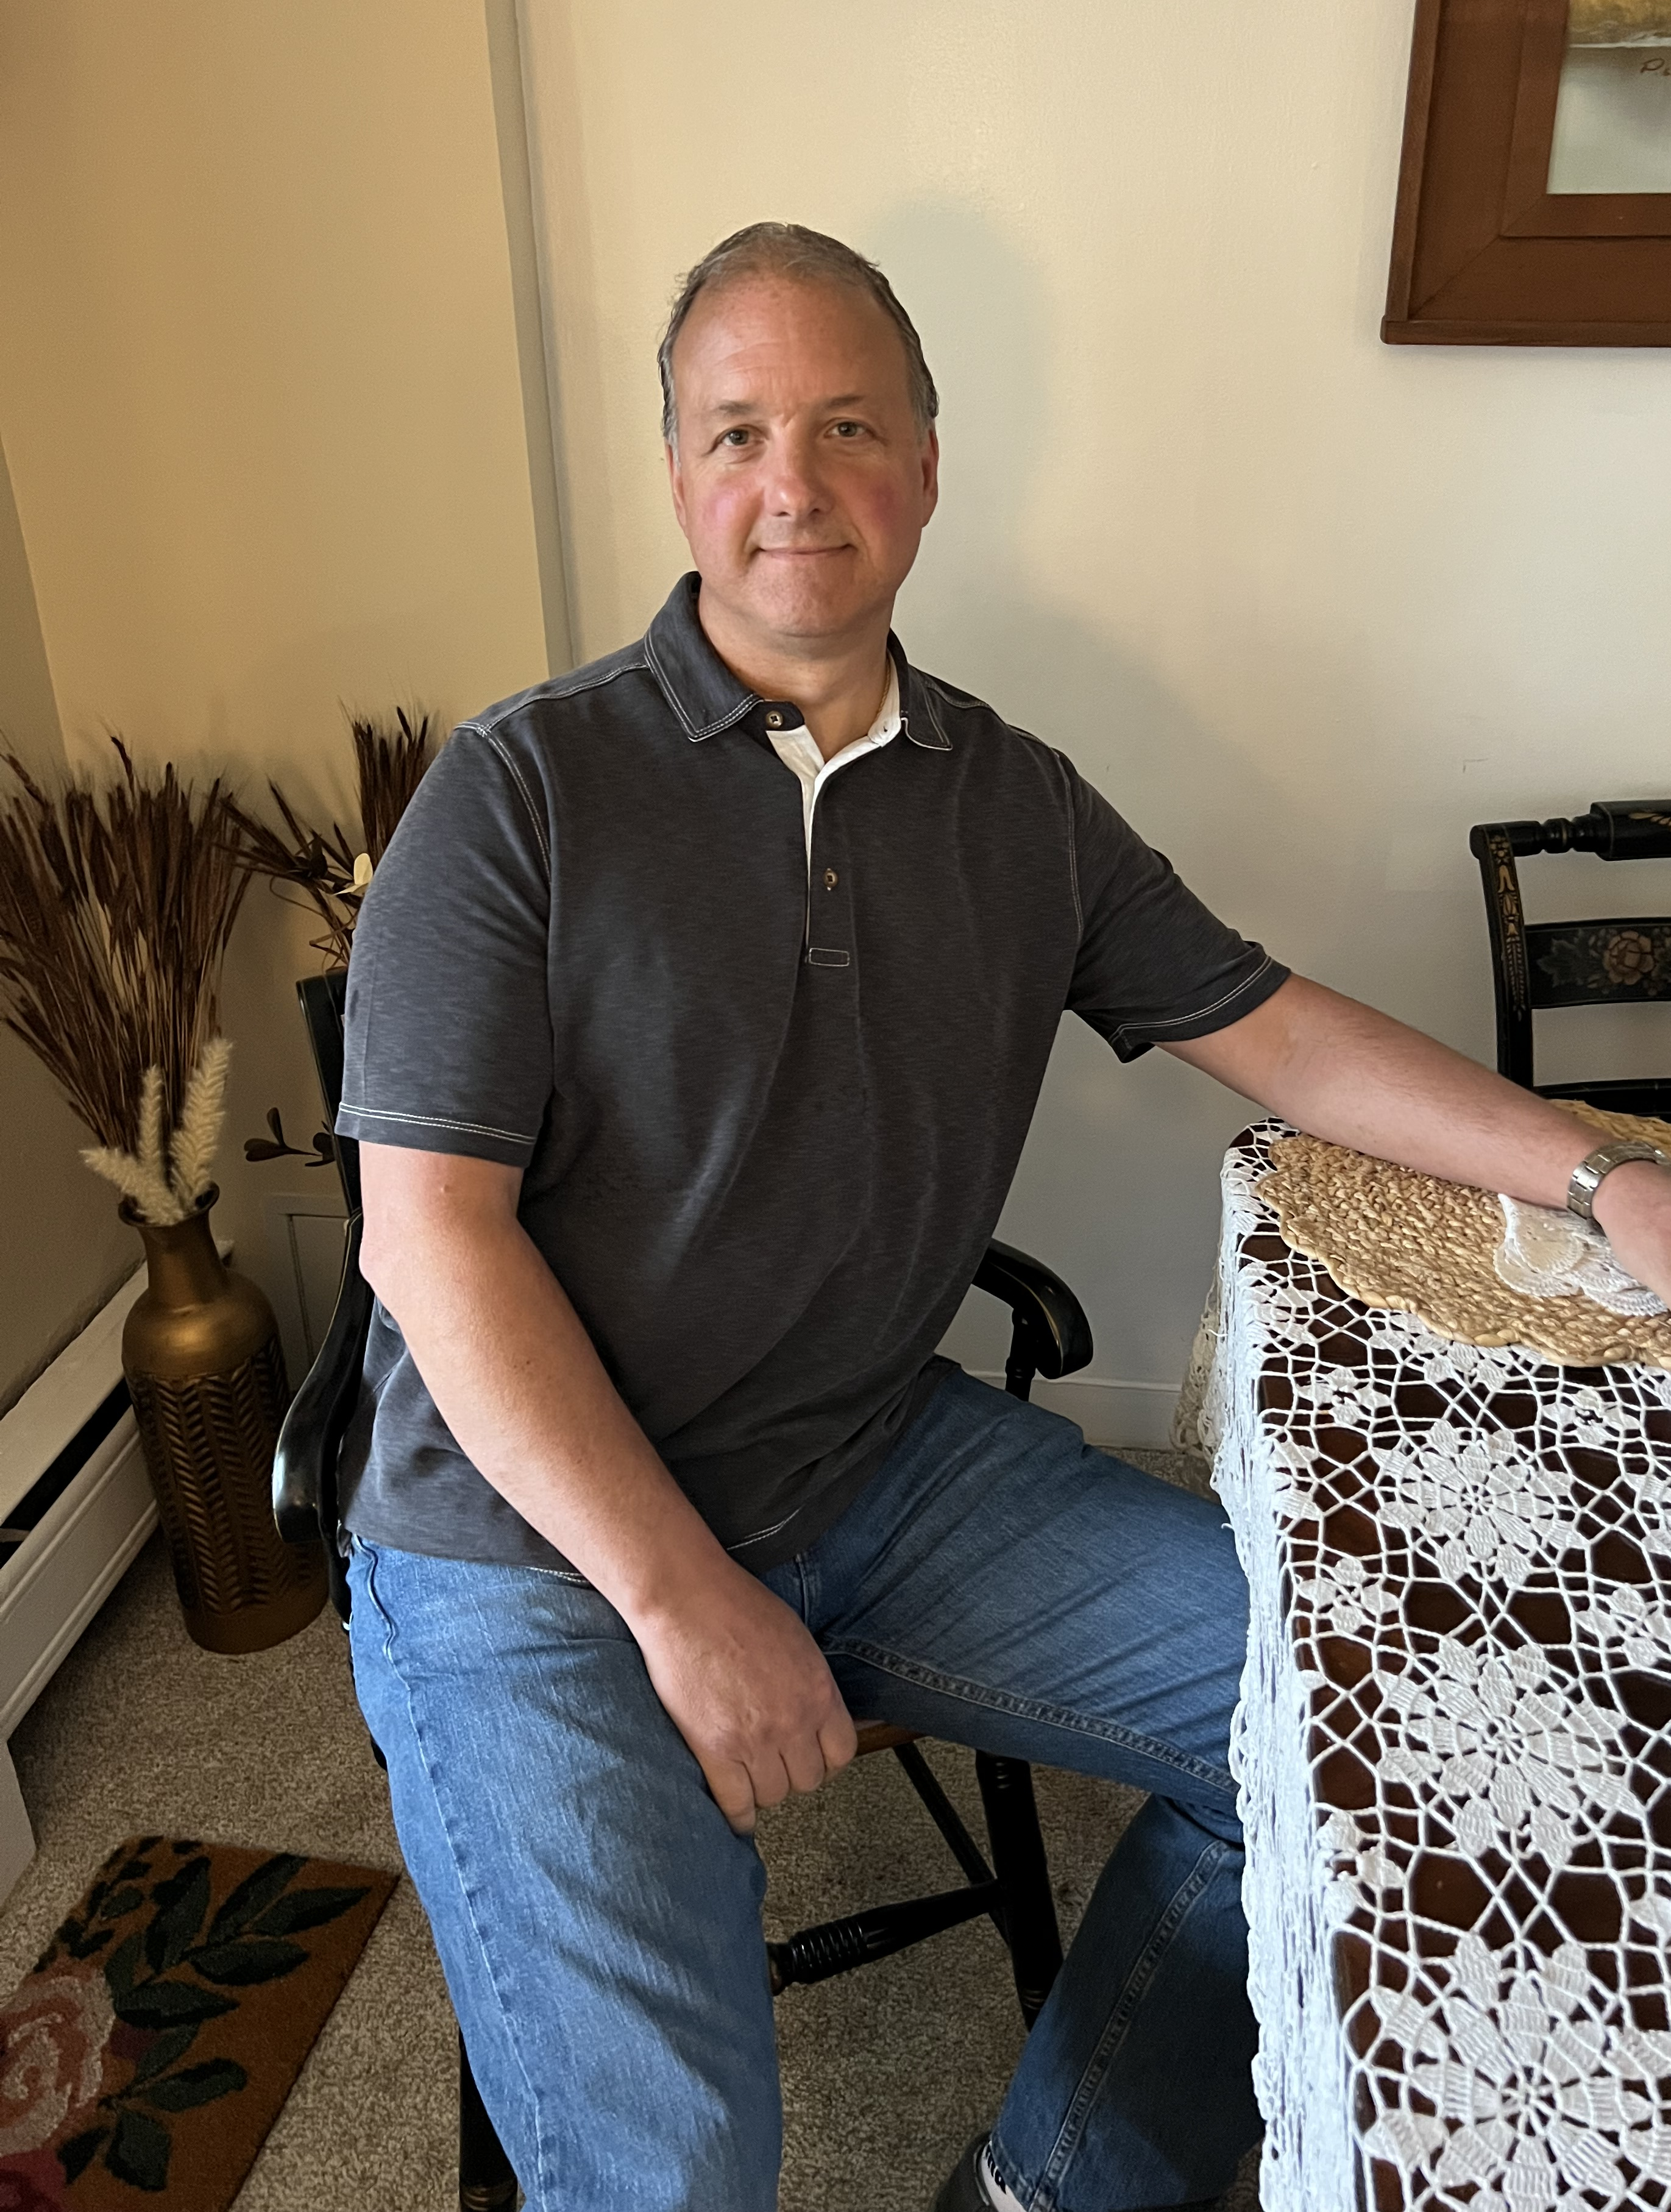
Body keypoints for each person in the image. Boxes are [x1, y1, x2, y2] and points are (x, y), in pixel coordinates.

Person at [335, 222, 1671, 2212]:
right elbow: (427, 1239)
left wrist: (1602, 1168)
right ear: (680, 472)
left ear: (931, 466)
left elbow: (1281, 1032)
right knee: (674, 2172)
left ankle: (1055, 2181)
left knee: (1332, 1757)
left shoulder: (1015, 804)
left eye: (850, 425)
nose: (794, 483)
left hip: (868, 1467)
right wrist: (686, 1607)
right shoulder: (520, 794)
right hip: (527, 1544)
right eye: (740, 431)